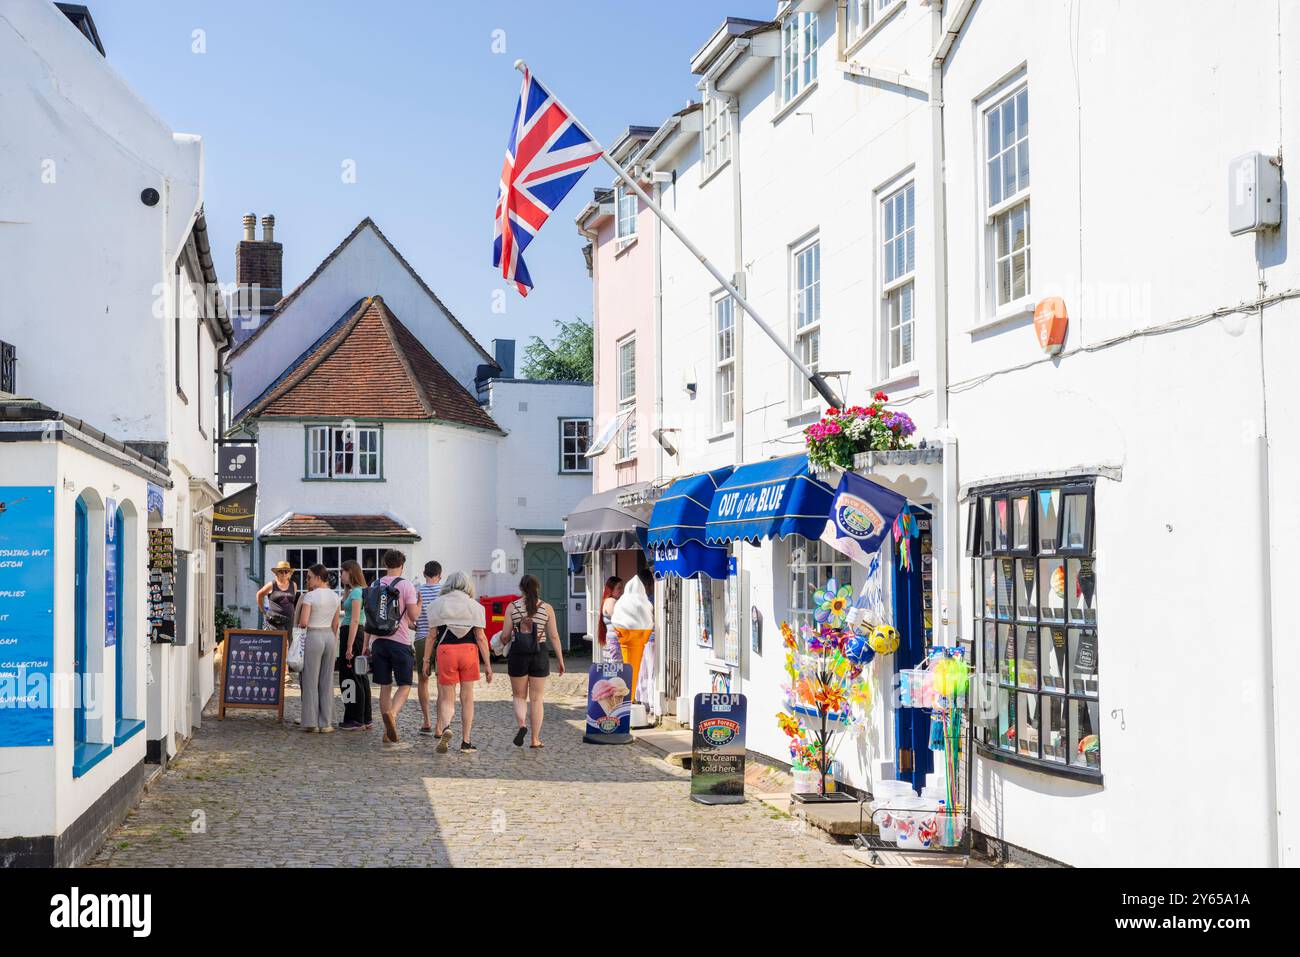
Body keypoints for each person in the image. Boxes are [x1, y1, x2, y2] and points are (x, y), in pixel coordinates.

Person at [423, 571, 492, 753]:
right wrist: (488, 666)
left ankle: (446, 727)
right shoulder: (475, 606)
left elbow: (431, 637)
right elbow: (481, 637)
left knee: (447, 697)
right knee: (467, 698)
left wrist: (425, 661)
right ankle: (466, 742)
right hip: (469, 651)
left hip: (446, 651)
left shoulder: (438, 604)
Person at [500, 575, 565, 748]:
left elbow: (505, 636)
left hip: (518, 654)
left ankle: (522, 725)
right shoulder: (547, 608)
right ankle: (535, 739)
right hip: (540, 653)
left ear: (521, 588)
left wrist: (503, 639)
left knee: (519, 696)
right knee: (537, 699)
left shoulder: (512, 608)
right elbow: (554, 636)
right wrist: (560, 659)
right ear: (537, 588)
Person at [368, 550, 421, 749]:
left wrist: (366, 645)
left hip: (378, 642)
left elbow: (370, 615)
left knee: (384, 686)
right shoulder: (406, 585)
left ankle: (386, 732)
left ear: (385, 564)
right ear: (402, 565)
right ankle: (393, 715)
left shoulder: (374, 584)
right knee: (405, 684)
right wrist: (419, 603)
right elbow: (414, 616)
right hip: (399, 641)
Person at [297, 564, 341, 733]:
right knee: (327, 680)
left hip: (313, 635)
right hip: (329, 636)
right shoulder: (335, 596)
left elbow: (304, 622)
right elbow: (336, 623)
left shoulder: (310, 597)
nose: (307, 580)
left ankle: (311, 722)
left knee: (310, 680)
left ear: (317, 577)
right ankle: (326, 722)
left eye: (308, 577)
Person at [336, 560, 371, 730]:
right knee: (360, 675)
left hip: (353, 634)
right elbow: (345, 607)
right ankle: (365, 718)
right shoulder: (354, 591)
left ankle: (355, 718)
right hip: (355, 634)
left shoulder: (357, 592)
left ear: (351, 572)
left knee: (350, 677)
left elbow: (355, 620)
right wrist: (346, 591)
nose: (340, 574)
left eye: (343, 571)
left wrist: (349, 646)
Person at [412, 560, 443, 734]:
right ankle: (440, 724)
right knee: (441, 682)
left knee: (423, 680)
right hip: (440, 639)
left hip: (422, 637)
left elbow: (410, 617)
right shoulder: (445, 591)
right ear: (440, 574)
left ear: (424, 574)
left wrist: (415, 626)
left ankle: (426, 721)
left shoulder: (418, 591)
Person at [257, 560, 298, 632]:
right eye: (281, 571)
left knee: (289, 642)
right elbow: (259, 595)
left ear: (289, 573)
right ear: (277, 573)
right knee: (279, 641)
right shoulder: (271, 585)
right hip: (275, 621)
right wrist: (263, 611)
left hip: (289, 620)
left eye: (286, 571)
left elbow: (292, 601)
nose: (284, 573)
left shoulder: (293, 585)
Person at [598, 576, 624, 666]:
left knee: (612, 669)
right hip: (615, 641)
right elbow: (617, 619)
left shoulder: (609, 600)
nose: (621, 590)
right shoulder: (611, 601)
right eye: (619, 588)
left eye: (622, 587)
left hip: (611, 640)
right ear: (611, 589)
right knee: (616, 668)